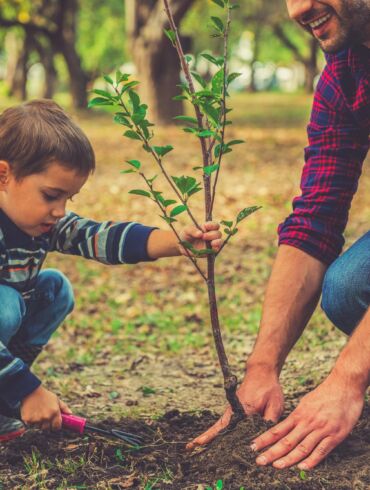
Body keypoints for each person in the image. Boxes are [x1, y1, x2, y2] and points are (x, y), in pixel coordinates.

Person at [188, 0, 370, 471]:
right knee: (349, 287)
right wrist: (261, 369)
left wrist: (347, 379)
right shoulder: (345, 75)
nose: (298, 9)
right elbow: (316, 217)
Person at [0, 99, 222, 442]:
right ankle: (12, 389)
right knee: (6, 304)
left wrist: (177, 242)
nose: (59, 212)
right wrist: (28, 391)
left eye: (68, 200)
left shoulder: (42, 223)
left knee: (55, 289)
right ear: (4, 175)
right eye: (50, 195)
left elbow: (99, 237)